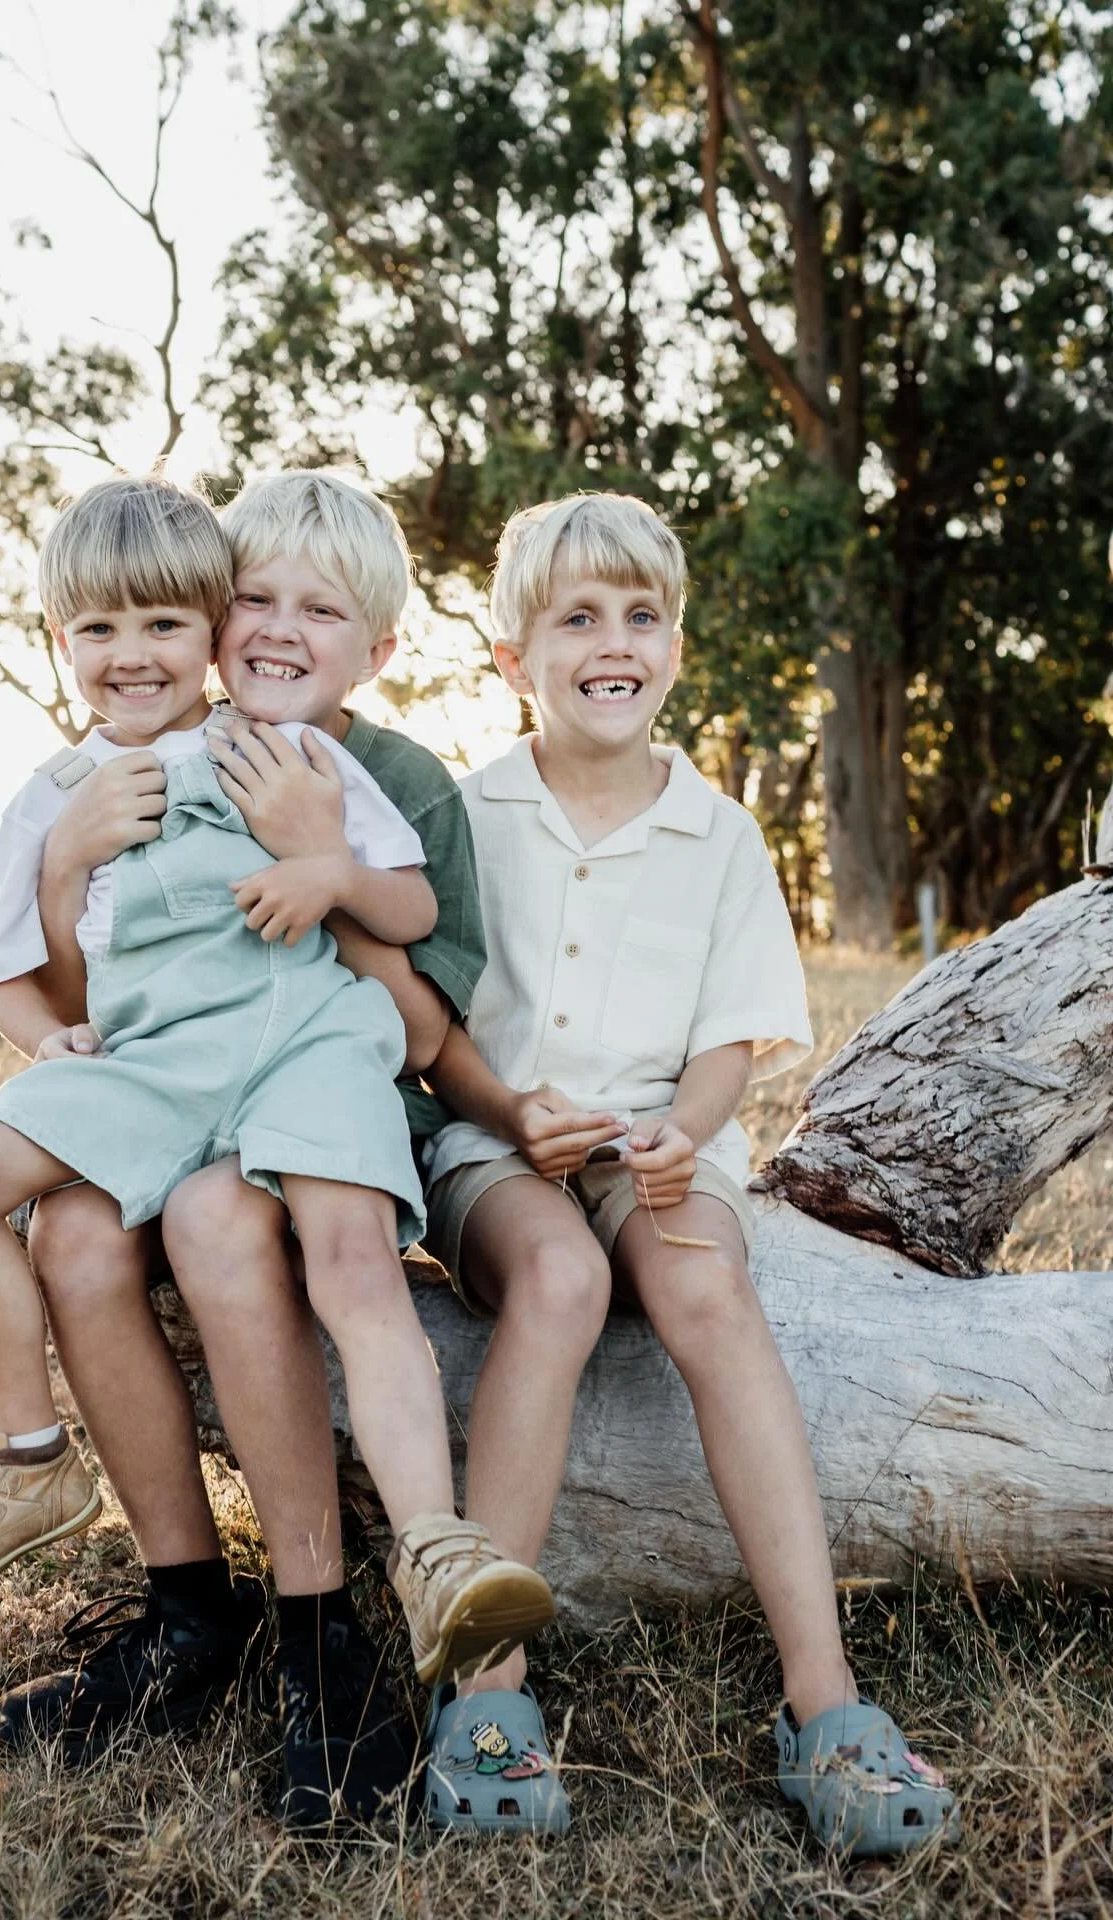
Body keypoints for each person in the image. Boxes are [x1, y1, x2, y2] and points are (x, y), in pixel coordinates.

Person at [0, 470, 552, 1822]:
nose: (268, 630)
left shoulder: (356, 768)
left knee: (228, 1226)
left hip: (323, 1078)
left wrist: (322, 864)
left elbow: (423, 1019)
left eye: (311, 609)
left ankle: (329, 1624)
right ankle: (185, 1604)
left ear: (373, 644)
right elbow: (56, 992)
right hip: (157, 1080)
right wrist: (62, 871)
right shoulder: (70, 789)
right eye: (254, 598)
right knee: (67, 1228)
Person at [416, 490, 961, 1856]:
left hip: (667, 1142)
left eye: (641, 616)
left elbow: (732, 1040)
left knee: (709, 1291)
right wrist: (501, 1102)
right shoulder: (463, 815)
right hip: (496, 1142)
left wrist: (680, 1131)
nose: (614, 642)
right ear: (512, 658)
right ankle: (487, 1693)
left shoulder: (717, 834)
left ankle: (821, 1699)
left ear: (675, 643)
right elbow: (430, 1030)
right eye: (578, 618)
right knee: (553, 1281)